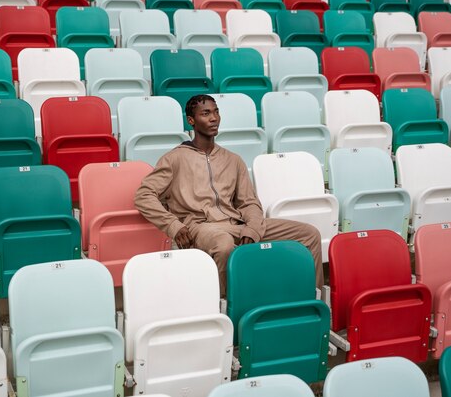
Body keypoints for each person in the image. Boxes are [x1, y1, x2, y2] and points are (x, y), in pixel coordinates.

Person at [134, 94, 323, 296]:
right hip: (201, 227)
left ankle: (311, 301)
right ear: (191, 120)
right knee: (223, 245)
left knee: (309, 234)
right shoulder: (174, 159)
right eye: (205, 113)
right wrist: (174, 226)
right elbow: (143, 195)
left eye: (216, 112)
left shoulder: (233, 160)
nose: (213, 118)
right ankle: (227, 309)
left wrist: (252, 229)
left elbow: (249, 203)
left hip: (238, 224)